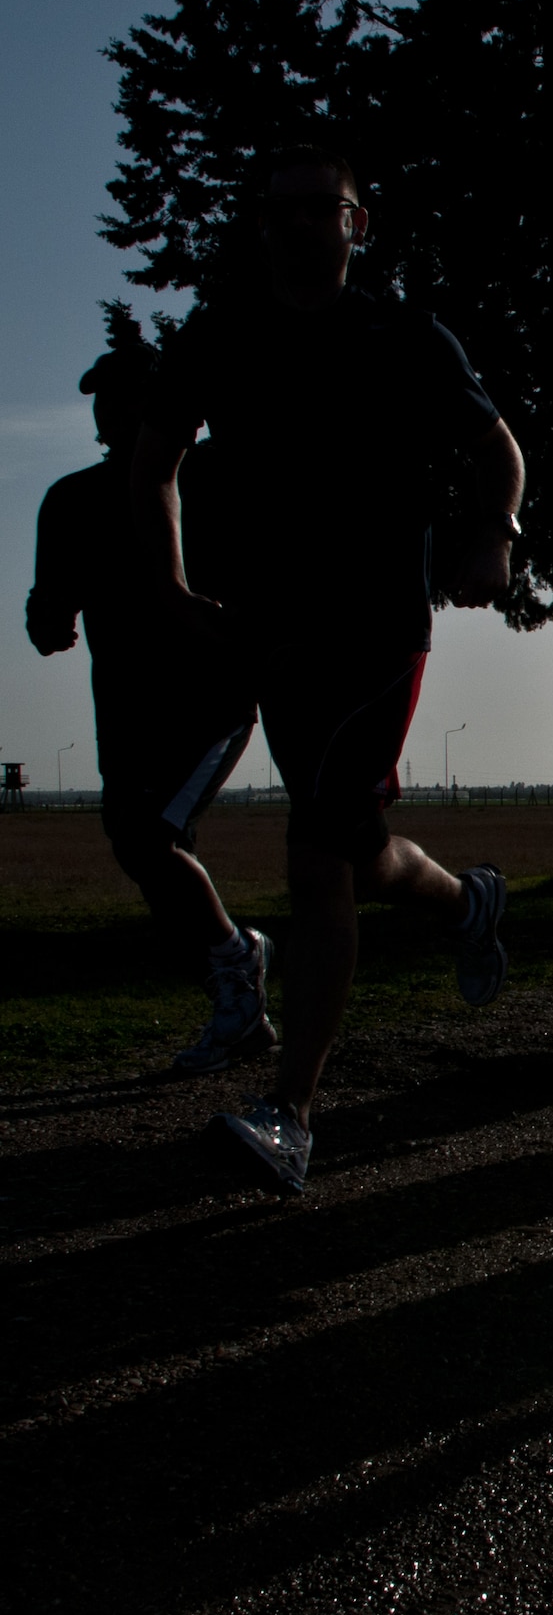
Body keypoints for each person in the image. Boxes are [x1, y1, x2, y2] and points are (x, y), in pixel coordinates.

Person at [134, 145, 525, 1196]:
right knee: (350, 848)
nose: (300, 225)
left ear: (360, 222)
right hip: (261, 631)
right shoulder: (221, 334)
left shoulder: (402, 335)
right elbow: (154, 461)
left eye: (321, 208)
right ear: (262, 228)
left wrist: (494, 534)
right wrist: (170, 585)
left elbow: (498, 447)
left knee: (314, 857)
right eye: (281, 212)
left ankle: (292, 1112)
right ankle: (466, 903)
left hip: (374, 630)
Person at [27, 329, 273, 1073]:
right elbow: (50, 609)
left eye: (125, 397)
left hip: (212, 699)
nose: (108, 412)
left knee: (148, 839)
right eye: (101, 400)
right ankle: (238, 1006)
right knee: (144, 850)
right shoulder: (70, 500)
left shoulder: (212, 481)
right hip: (126, 712)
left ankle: (238, 970)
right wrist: (47, 621)